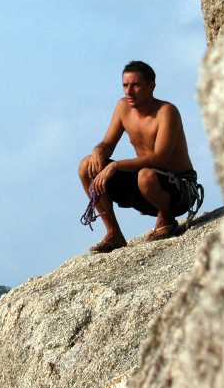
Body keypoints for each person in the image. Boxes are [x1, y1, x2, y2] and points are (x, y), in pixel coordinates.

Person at [77, 60, 199, 253]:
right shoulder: (123, 107)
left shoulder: (167, 112)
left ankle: (166, 218)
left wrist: (115, 166)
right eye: (125, 85)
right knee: (86, 166)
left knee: (145, 176)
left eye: (136, 85)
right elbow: (107, 144)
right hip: (144, 189)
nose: (129, 91)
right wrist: (98, 152)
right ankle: (114, 233)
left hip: (178, 190)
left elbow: (160, 158)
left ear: (151, 86)